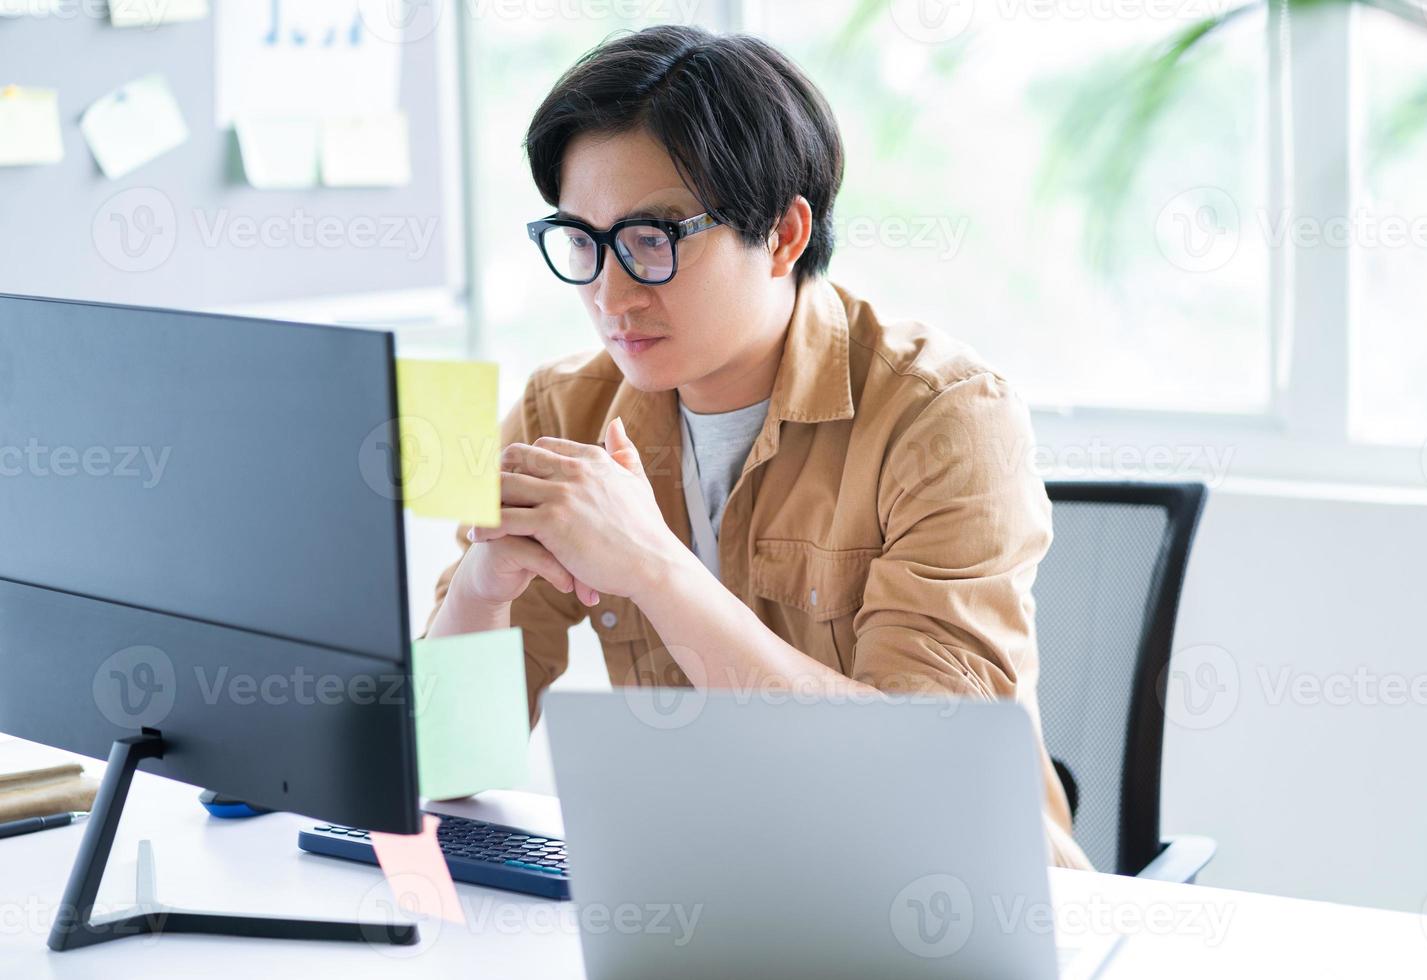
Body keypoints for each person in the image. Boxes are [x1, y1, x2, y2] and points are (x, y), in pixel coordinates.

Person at [425, 24, 1090, 869]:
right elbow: (441, 768)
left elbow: (924, 784)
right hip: (714, 891)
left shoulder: (947, 420)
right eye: (584, 242)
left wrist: (655, 569)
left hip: (954, 897)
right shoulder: (563, 409)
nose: (609, 292)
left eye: (652, 240)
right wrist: (482, 589)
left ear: (783, 234)